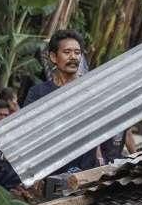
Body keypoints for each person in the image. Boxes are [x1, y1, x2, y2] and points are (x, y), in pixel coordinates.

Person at [23, 29, 99, 172]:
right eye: (67, 52)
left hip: (84, 172)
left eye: (77, 53)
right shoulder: (38, 93)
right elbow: (28, 133)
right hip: (48, 172)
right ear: (53, 57)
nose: (73, 57)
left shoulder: (90, 91)